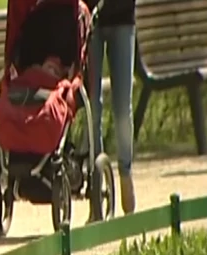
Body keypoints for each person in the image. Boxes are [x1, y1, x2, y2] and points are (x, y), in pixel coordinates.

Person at [85, 0, 137, 217]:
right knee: (92, 110)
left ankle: (125, 173)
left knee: (122, 108)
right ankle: (96, 188)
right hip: (88, 16)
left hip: (123, 16)